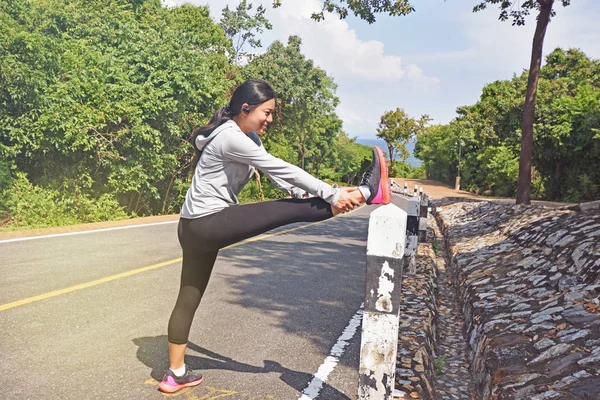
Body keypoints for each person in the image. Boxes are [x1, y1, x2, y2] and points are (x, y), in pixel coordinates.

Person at [158, 78, 391, 393]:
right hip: (207, 222)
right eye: (266, 113)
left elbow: (279, 178)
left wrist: (323, 197)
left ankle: (175, 374)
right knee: (285, 211)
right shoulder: (230, 138)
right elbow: (281, 167)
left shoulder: (247, 137)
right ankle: (367, 191)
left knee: (189, 296)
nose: (269, 120)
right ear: (245, 108)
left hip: (191, 227)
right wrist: (333, 195)